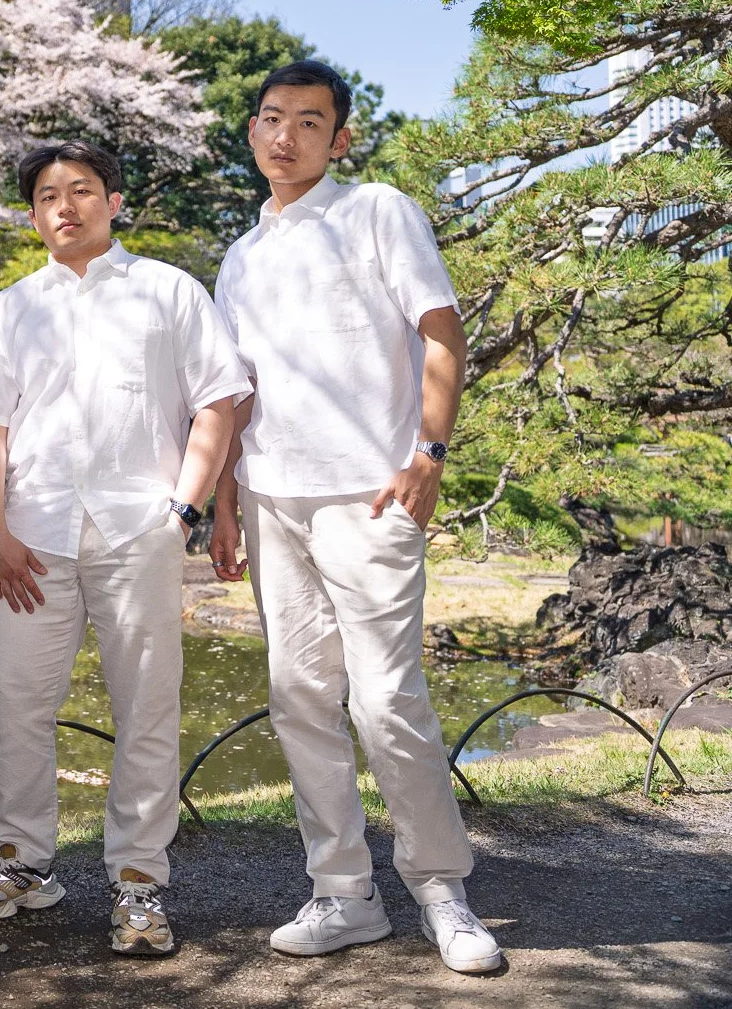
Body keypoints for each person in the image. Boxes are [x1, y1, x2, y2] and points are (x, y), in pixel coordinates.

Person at [209, 61, 502, 974]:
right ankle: (343, 890)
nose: (284, 134)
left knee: (386, 698)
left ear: (339, 138)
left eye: (308, 120)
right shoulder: (241, 253)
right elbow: (234, 392)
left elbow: (442, 330)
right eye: (269, 118)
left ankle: (441, 888)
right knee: (299, 696)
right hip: (270, 497)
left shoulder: (376, 209)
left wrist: (429, 453)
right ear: (252, 132)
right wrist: (224, 501)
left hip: (369, 492)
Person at [0, 139, 248, 956]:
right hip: (33, 538)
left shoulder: (168, 291)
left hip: (137, 531)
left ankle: (139, 881)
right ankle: (22, 862)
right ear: (34, 212)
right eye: (48, 195)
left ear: (114, 201)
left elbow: (218, 404)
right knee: (18, 703)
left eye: (81, 191)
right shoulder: (11, 308)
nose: (65, 207)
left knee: (146, 707)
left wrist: (183, 512)